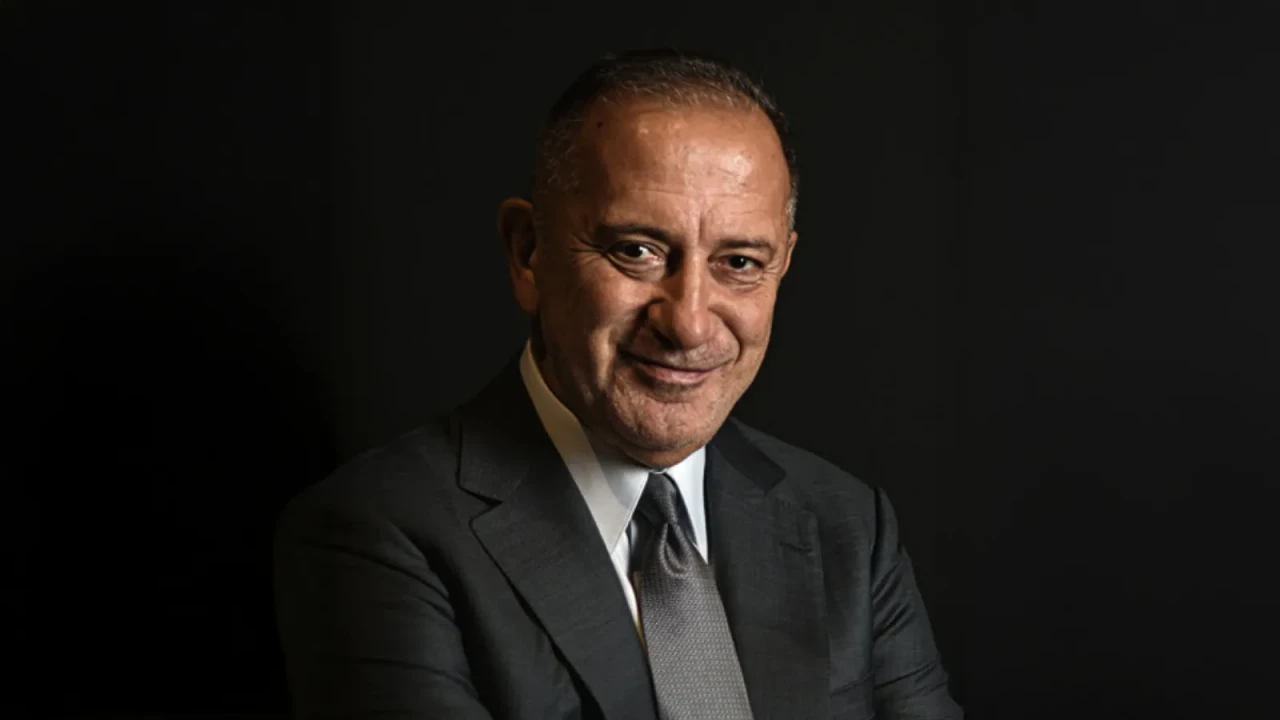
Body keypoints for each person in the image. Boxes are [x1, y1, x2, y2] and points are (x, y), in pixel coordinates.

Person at [273, 49, 962, 720]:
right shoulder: (380, 533)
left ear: (782, 266)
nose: (689, 323)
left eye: (739, 262)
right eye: (637, 251)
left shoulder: (849, 527)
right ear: (528, 253)